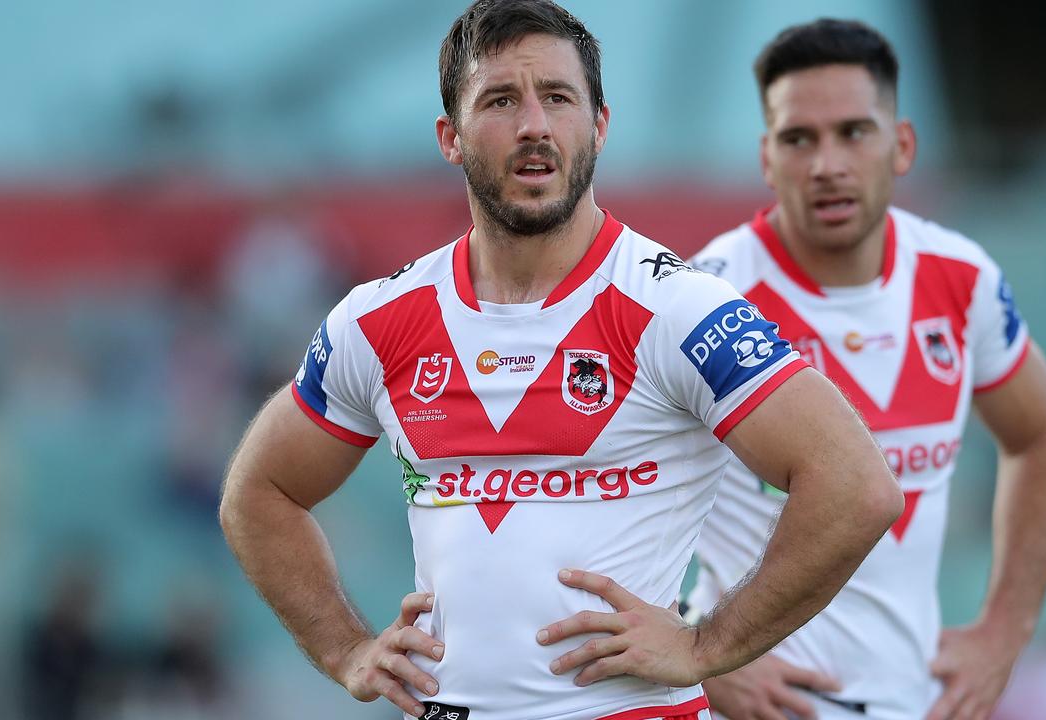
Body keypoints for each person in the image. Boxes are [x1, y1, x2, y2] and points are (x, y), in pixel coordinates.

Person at [218, 3, 904, 720]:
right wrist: (345, 650)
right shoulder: (376, 320)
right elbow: (258, 494)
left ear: (599, 126)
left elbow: (857, 487)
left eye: (558, 97)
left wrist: (707, 647)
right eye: (501, 100)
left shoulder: (677, 309)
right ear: (450, 137)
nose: (533, 125)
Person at [685, 19, 1046, 720]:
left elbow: (1044, 441)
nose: (826, 163)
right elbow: (604, 487)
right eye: (798, 139)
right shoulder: (708, 296)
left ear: (901, 146)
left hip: (917, 701)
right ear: (766, 157)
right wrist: (698, 650)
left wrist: (1003, 633)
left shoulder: (962, 280)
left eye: (853, 132)